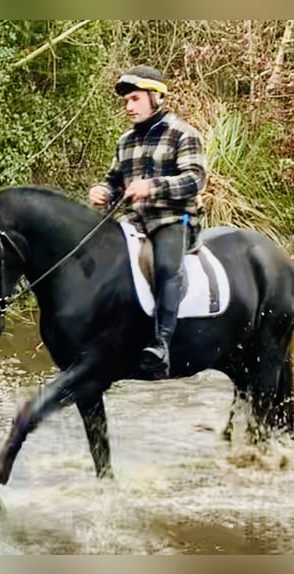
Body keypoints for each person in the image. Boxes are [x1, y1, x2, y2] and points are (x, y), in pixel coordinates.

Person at [88, 65, 207, 378]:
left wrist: (153, 186)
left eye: (135, 99)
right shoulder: (125, 141)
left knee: (167, 267)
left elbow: (195, 180)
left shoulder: (183, 133)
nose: (128, 106)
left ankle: (161, 345)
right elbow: (114, 181)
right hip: (133, 221)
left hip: (173, 219)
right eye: (126, 100)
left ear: (156, 97)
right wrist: (103, 191)